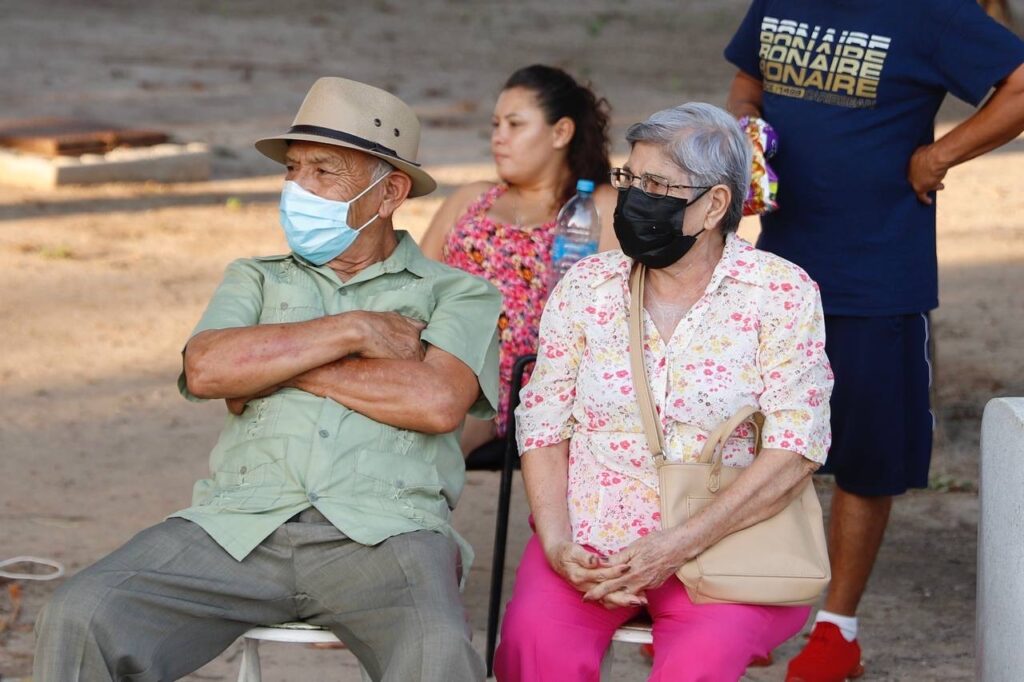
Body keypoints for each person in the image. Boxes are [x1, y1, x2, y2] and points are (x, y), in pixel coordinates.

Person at [32, 77, 501, 682]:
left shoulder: (457, 292)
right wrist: (353, 330)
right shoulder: (254, 277)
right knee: (81, 613)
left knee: (436, 652)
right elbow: (206, 368)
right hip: (237, 523)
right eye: (293, 170)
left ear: (390, 193)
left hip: (387, 531)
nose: (298, 188)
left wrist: (273, 365)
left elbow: (437, 402)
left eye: (323, 172)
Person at [723, 2, 1024, 680]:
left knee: (866, 457)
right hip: (774, 266)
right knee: (752, 442)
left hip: (877, 273)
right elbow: (749, 78)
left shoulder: (929, 11)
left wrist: (941, 154)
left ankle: (837, 630)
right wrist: (746, 131)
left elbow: (1021, 82)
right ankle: (751, 605)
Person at [493, 102, 834, 682]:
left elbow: (795, 448)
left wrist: (673, 547)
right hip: (590, 541)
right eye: (630, 178)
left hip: (726, 545)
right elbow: (543, 423)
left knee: (696, 666)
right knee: (534, 649)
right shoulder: (588, 287)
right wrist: (556, 542)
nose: (632, 198)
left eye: (656, 184)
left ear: (715, 204)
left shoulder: (778, 293)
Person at [420, 64, 617, 455]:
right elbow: (414, 281)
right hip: (432, 355)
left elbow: (614, 314)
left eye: (514, 125)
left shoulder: (596, 208)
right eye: (495, 125)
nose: (498, 138)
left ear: (561, 132)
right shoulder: (472, 198)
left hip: (515, 379)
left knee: (437, 423)